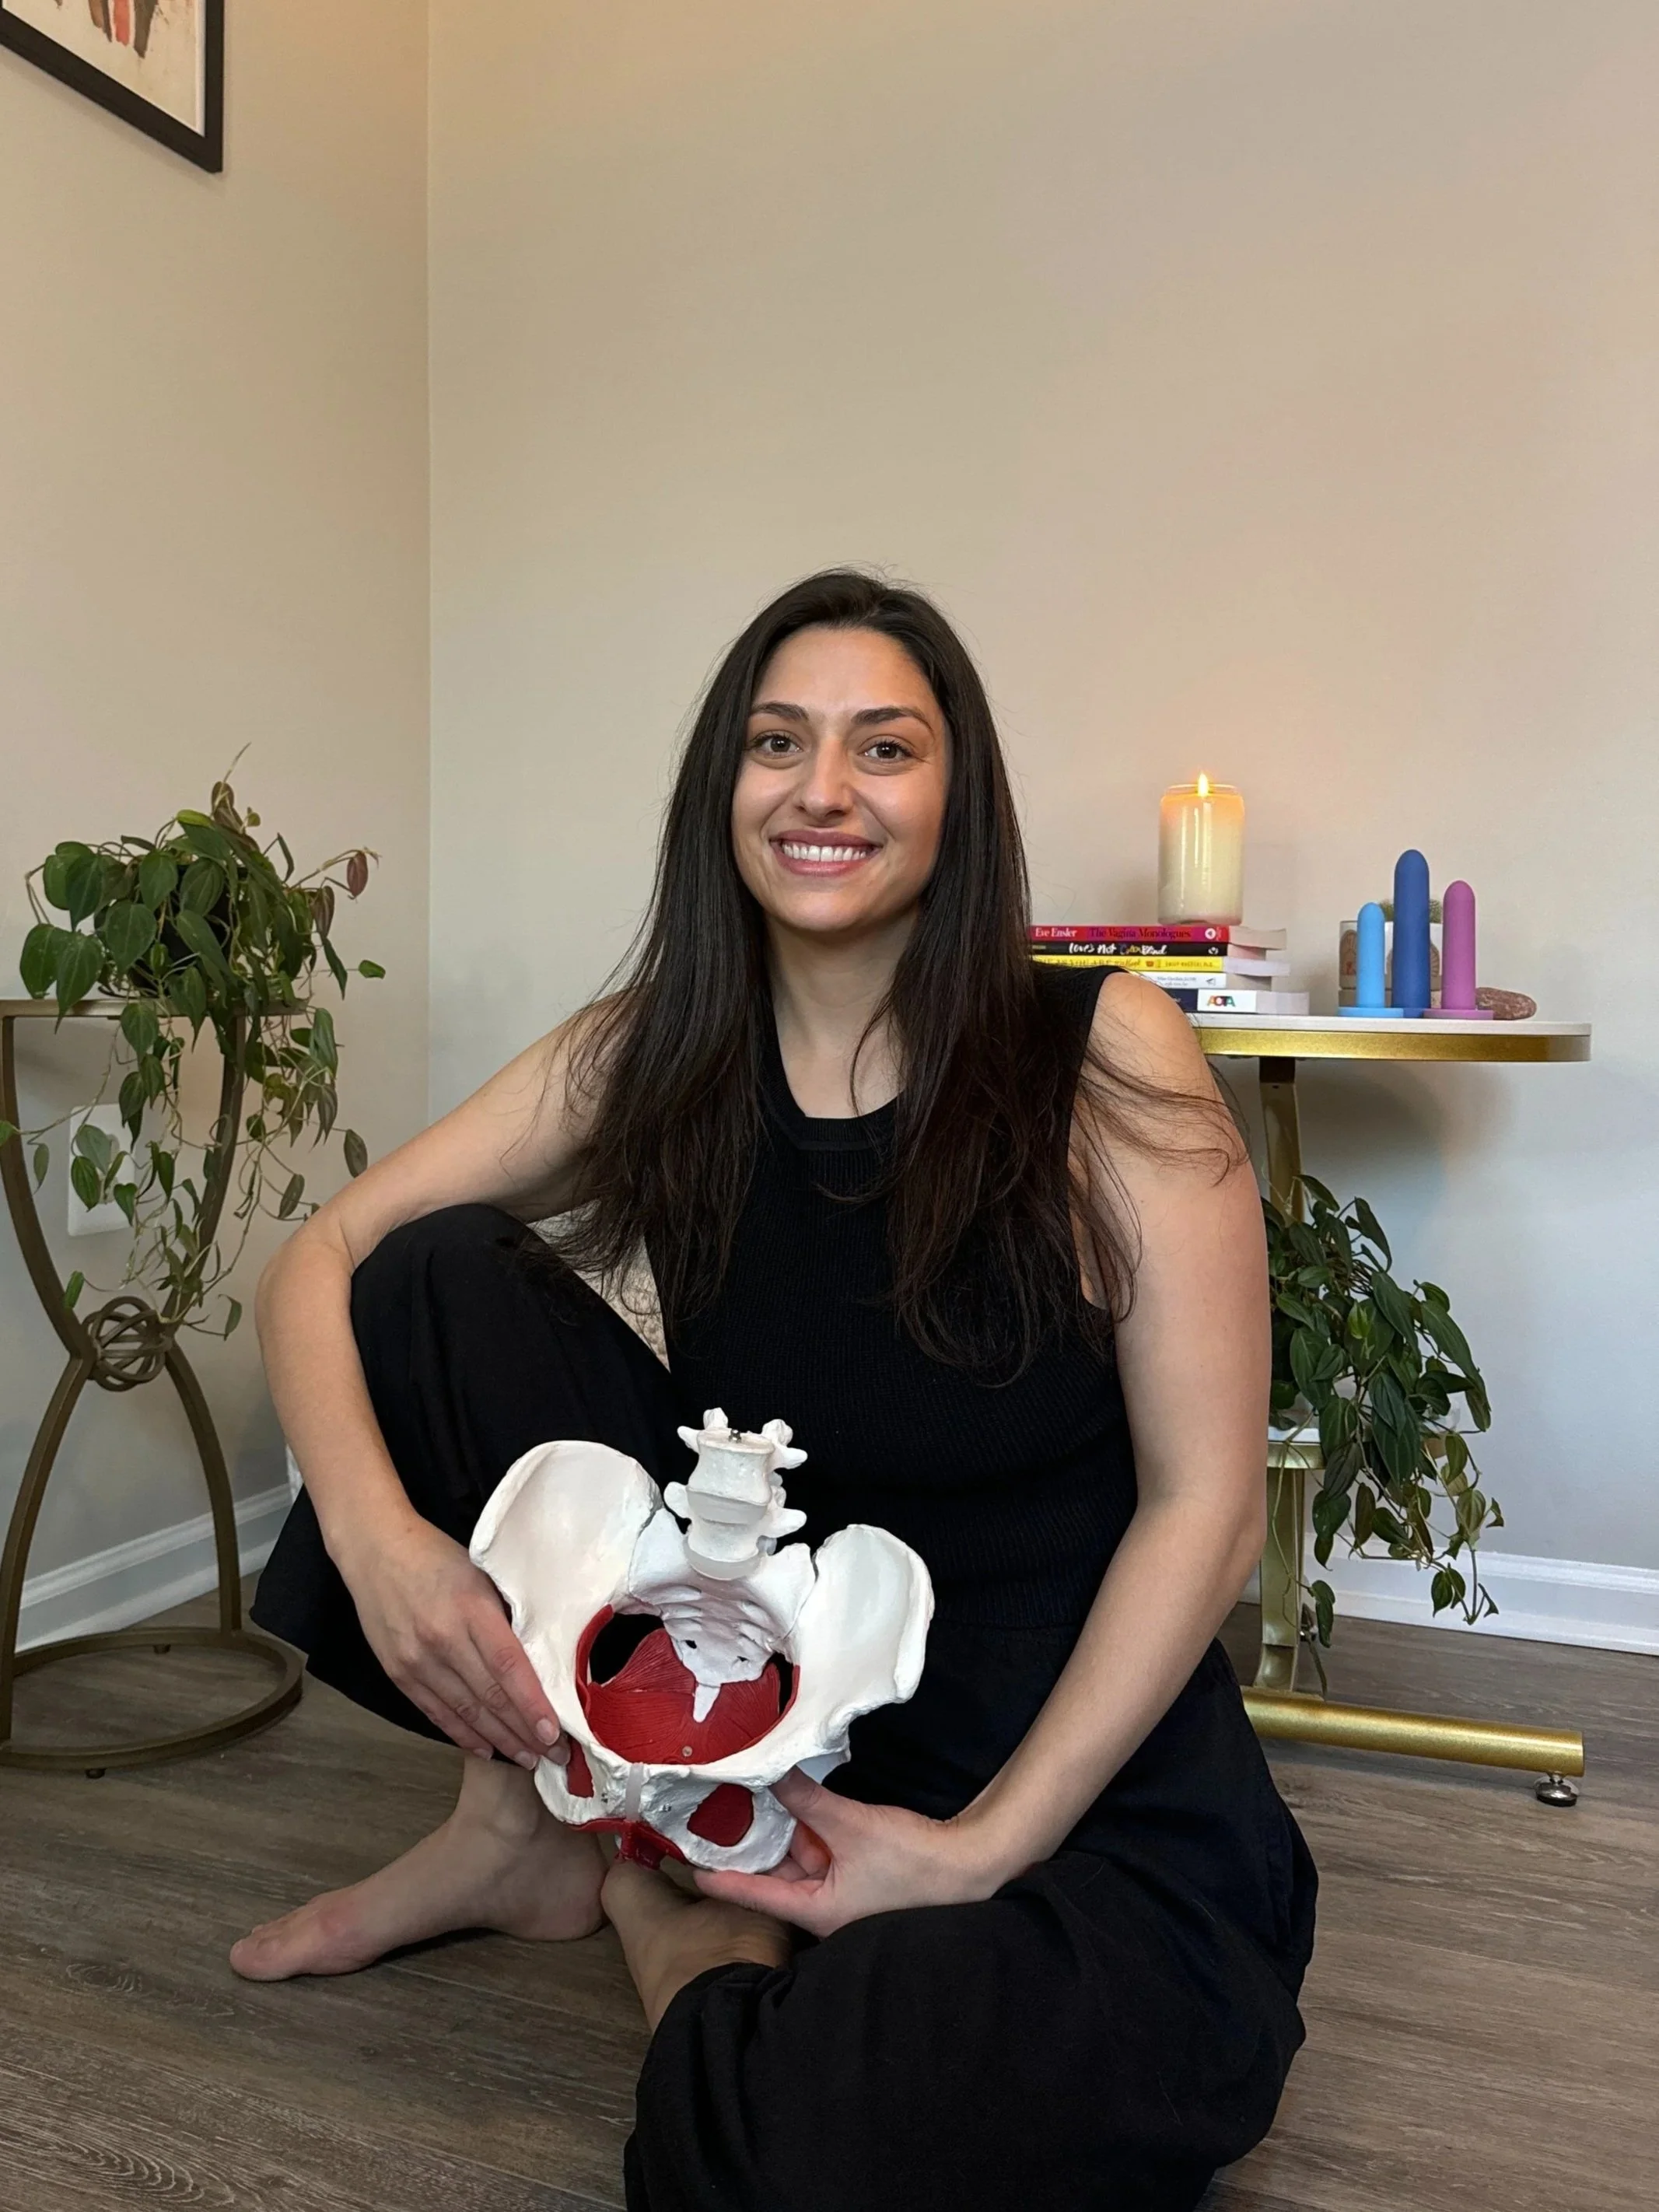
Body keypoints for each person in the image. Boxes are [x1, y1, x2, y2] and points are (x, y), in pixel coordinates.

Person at [241, 570, 1316, 2212]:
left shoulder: (1099, 1053)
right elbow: (317, 1259)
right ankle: (532, 1827)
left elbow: (1206, 1506)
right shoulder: (657, 1048)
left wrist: (977, 1852)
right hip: (776, 1691)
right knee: (427, 1279)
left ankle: (671, 1924)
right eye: (776, 742)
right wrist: (382, 1539)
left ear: (956, 799)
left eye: (882, 748)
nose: (821, 790)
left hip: (1066, 1785)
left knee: (800, 2148)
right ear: (720, 790)